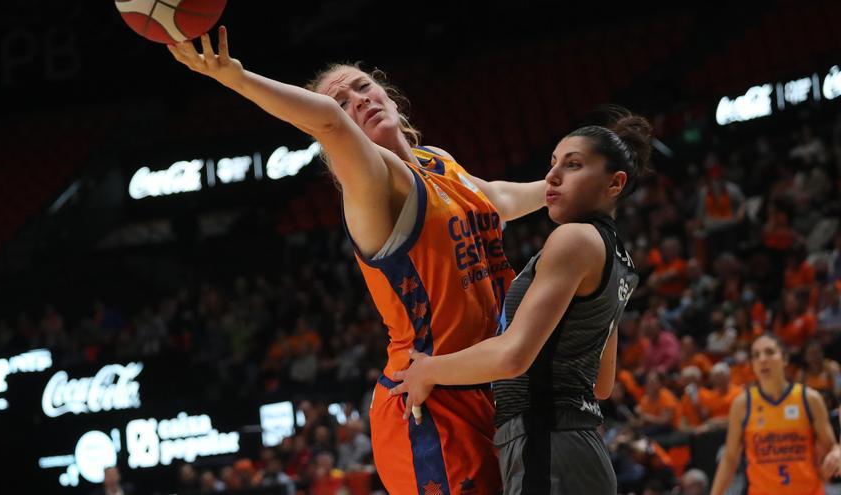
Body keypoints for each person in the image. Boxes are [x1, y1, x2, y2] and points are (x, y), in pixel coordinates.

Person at [168, 27, 547, 494]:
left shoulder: (437, 162)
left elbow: (495, 197)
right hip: (430, 406)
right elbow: (328, 123)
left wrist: (561, 191)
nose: (357, 101)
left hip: (486, 382)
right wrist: (237, 78)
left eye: (363, 87)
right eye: (343, 101)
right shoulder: (372, 185)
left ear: (387, 92)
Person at [390, 110, 648, 493]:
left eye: (573, 165)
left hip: (548, 443)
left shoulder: (573, 240)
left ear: (615, 184)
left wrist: (427, 370)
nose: (553, 176)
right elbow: (602, 384)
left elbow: (513, 356)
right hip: (579, 447)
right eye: (553, 163)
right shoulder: (619, 259)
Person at [710, 334, 841, 495]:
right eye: (756, 355)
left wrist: (837, 452)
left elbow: (831, 446)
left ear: (785, 359)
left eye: (769, 352)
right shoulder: (742, 404)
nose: (762, 359)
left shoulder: (809, 398)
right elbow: (730, 458)